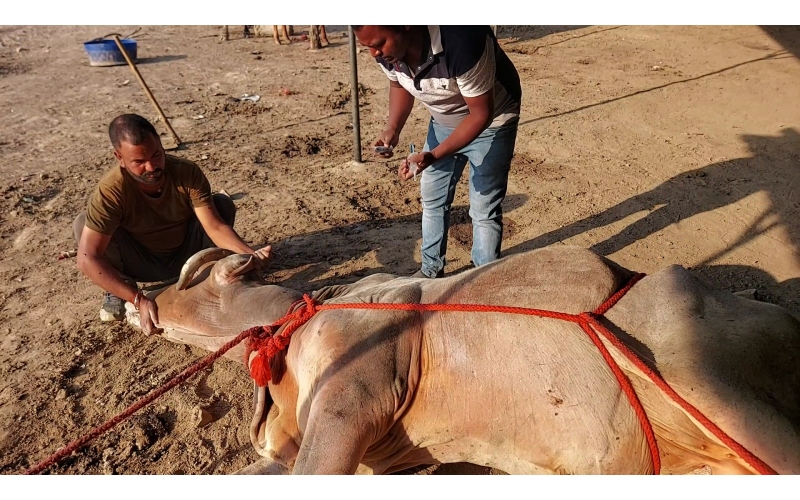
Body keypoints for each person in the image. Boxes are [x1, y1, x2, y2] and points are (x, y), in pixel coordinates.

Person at [73, 114, 272, 334]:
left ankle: (204, 277)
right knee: (85, 226)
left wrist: (250, 254)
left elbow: (214, 226)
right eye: (139, 162)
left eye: (156, 155)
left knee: (222, 205)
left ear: (160, 143)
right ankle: (120, 289)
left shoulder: (187, 172)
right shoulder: (111, 191)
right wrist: (138, 299)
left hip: (187, 256)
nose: (151, 167)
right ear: (119, 157)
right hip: (140, 262)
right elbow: (86, 259)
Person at [353, 25, 522, 278]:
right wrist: (393, 129)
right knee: (433, 197)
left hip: (493, 121)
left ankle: (483, 279)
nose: (374, 53)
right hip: (444, 121)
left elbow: (480, 115)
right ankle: (430, 272)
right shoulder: (389, 54)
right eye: (368, 47)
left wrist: (433, 155)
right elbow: (398, 85)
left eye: (379, 43)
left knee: (483, 207)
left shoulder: (463, 41)